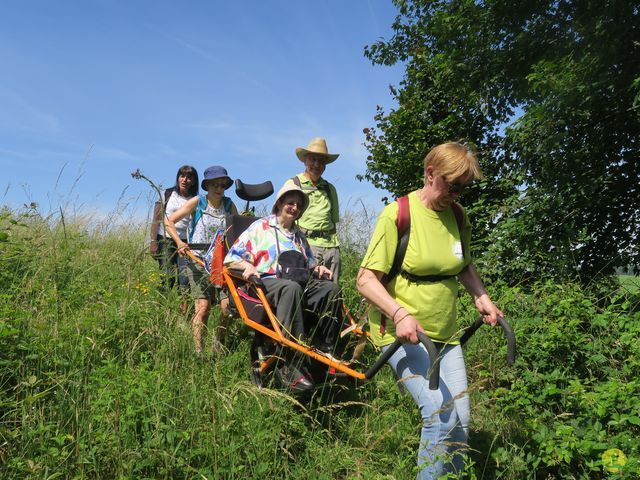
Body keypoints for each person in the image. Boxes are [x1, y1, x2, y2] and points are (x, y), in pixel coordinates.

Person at [356, 142, 504, 479]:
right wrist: (399, 313)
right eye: (451, 185)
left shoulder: (458, 216)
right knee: (440, 414)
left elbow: (464, 266)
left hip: (445, 337)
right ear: (430, 173)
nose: (456, 193)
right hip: (402, 336)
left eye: (463, 187)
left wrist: (482, 297)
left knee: (461, 421)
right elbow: (365, 279)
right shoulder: (398, 214)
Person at [224, 183, 343, 363]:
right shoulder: (261, 227)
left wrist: (318, 268)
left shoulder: (298, 235)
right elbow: (231, 259)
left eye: (299, 205)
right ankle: (291, 355)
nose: (295, 208)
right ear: (279, 203)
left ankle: (325, 348)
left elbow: (309, 264)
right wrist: (246, 266)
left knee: (332, 290)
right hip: (265, 284)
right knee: (291, 288)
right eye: (290, 203)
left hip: (298, 285)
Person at [165, 165, 238, 354]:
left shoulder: (230, 205)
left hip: (221, 264)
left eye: (222, 185)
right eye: (215, 184)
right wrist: (180, 243)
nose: (219, 188)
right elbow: (168, 221)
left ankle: (218, 342)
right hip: (197, 262)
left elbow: (238, 232)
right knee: (203, 308)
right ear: (207, 186)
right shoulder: (198, 202)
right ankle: (198, 351)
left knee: (227, 309)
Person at [285, 137, 341, 282]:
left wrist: (334, 249)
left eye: (321, 161)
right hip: (307, 245)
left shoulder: (329, 189)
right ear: (305, 161)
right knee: (308, 291)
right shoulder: (294, 184)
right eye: (313, 159)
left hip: (331, 247)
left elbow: (333, 221)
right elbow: (283, 219)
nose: (317, 164)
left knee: (333, 292)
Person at [149, 165, 199, 293]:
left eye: (189, 177)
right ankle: (163, 306)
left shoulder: (196, 200)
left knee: (184, 278)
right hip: (166, 239)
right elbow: (156, 219)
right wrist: (153, 242)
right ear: (178, 178)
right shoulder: (167, 194)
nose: (184, 180)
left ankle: (182, 307)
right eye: (182, 176)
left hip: (185, 242)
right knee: (167, 276)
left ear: (193, 181)